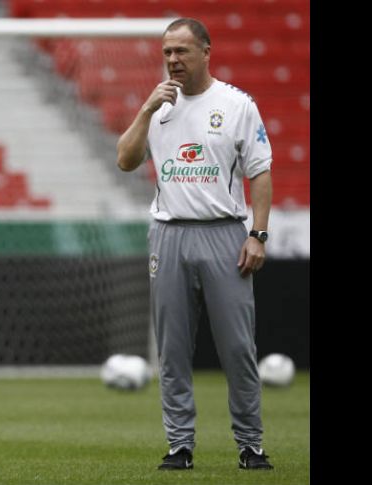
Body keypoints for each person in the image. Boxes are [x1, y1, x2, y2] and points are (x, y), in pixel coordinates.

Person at [115, 18, 274, 471]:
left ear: (206, 51)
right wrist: (145, 111)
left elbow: (259, 171)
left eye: (182, 51)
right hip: (168, 235)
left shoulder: (237, 104)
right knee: (173, 348)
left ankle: (251, 445)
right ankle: (179, 445)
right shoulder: (158, 106)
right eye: (167, 52)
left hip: (224, 232)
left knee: (238, 347)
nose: (172, 60)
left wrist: (257, 234)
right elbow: (126, 161)